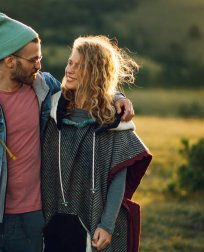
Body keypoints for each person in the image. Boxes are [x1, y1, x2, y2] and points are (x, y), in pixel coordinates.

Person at [0, 9, 134, 252]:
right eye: (33, 60)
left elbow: (91, 87)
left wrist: (117, 96)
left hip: (31, 218)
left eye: (40, 58)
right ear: (10, 60)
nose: (39, 66)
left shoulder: (44, 89)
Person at [41, 35, 152, 252]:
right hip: (51, 219)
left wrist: (107, 225)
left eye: (78, 66)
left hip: (92, 223)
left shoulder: (113, 121)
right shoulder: (52, 109)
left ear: (95, 72)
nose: (69, 70)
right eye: (69, 62)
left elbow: (118, 181)